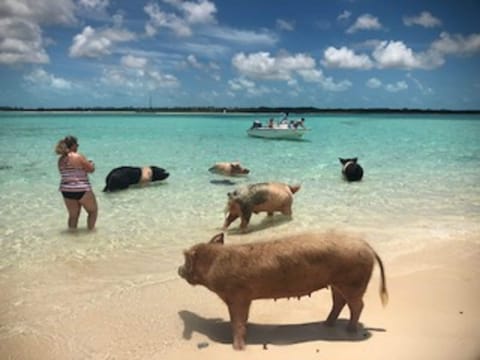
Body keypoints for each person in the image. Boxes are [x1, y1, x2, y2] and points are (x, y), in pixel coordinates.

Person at [55, 135, 98, 230]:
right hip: (81, 189)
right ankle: (91, 234)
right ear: (73, 145)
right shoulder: (78, 156)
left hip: (66, 190)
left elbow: (67, 174)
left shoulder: (60, 160)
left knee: (73, 216)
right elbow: (90, 170)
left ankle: (72, 236)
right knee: (93, 211)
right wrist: (91, 164)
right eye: (77, 145)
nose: (78, 147)